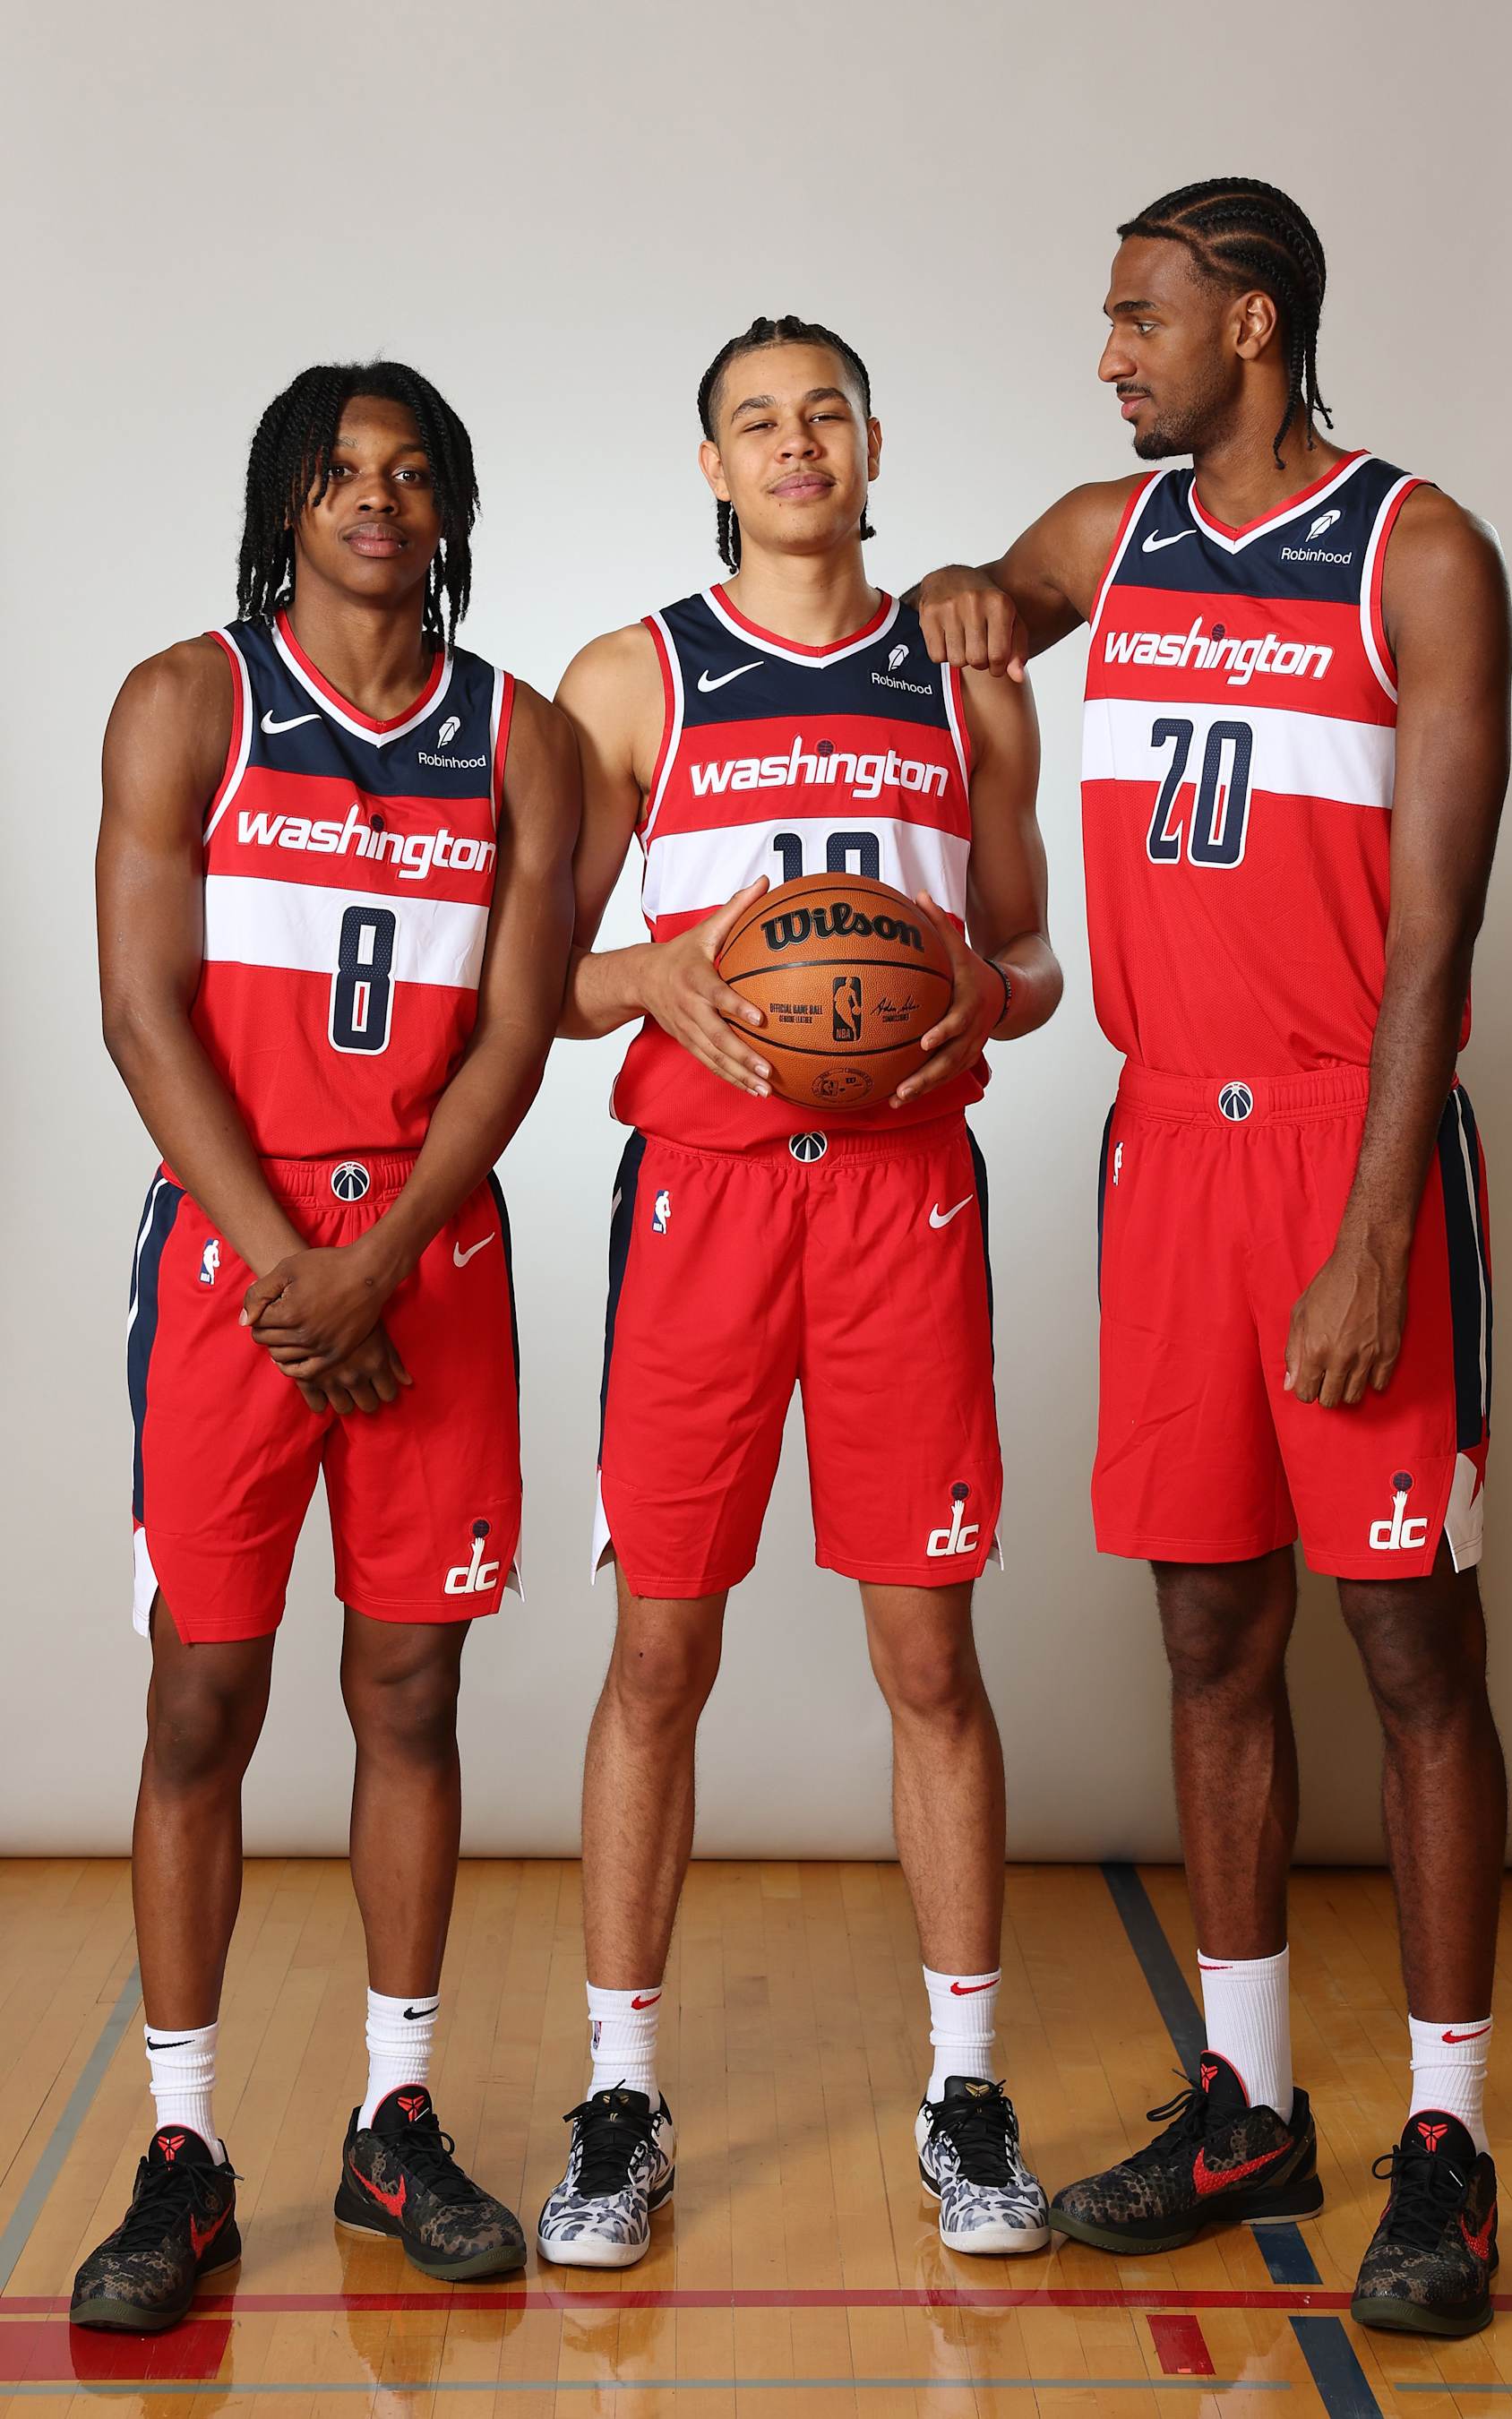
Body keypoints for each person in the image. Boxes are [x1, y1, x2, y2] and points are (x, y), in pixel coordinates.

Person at [915, 181, 1510, 2338]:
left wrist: (1370, 1236)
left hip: (1350, 1157)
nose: (1109, 354)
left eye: (1138, 319)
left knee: (1414, 1654)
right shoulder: (1120, 533)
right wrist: (974, 596)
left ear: (1248, 326)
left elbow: (1436, 942)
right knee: (1206, 1643)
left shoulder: (1419, 551)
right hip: (1163, 1155)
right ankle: (1245, 2097)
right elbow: (980, 590)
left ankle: (1446, 2136)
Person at [538, 314, 1064, 2268]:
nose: (794, 445)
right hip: (703, 1200)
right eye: (755, 420)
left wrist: (976, 1006)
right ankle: (618, 2093)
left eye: (823, 412)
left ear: (868, 441)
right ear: (710, 462)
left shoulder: (969, 685)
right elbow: (547, 972)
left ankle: (965, 2089)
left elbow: (1030, 951)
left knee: (929, 1659)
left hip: (909, 1197)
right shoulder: (635, 680)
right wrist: (656, 978)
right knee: (661, 1660)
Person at [75, 362, 579, 2330]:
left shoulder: (519, 739)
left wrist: (383, 1265)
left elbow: (518, 1033)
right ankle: (185, 2149)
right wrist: (302, 1269)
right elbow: (143, 1013)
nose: (375, 499)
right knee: (202, 1705)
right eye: (339, 472)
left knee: (411, 1695)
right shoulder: (184, 701)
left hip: (428, 1253)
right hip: (236, 1253)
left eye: (410, 472)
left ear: (450, 509)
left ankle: (395, 2121)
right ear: (287, 502)